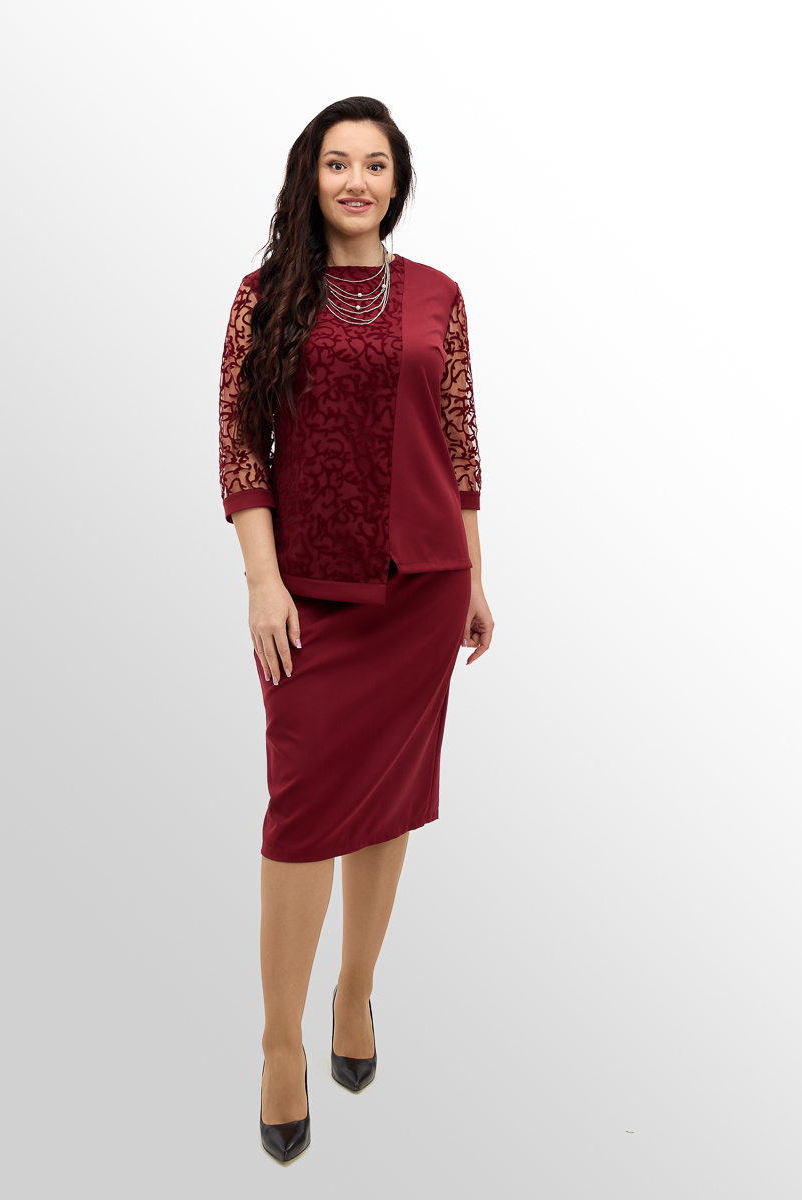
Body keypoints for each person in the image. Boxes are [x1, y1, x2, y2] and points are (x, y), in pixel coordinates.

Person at [218, 96, 495, 1163]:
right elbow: (241, 445)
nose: (356, 181)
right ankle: (279, 1044)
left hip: (425, 587)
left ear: (397, 182)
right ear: (311, 177)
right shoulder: (264, 296)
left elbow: (460, 446)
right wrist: (262, 582)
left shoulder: (440, 297)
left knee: (387, 802)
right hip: (310, 593)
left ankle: (355, 992)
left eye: (375, 165)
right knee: (301, 814)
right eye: (338, 163)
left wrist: (476, 576)